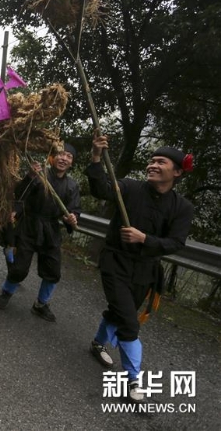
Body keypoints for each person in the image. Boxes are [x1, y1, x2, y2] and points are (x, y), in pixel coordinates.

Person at [86, 136, 194, 401]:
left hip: (146, 270)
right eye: (152, 160)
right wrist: (97, 157)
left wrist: (144, 239)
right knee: (129, 322)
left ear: (177, 172)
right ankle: (133, 381)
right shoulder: (130, 188)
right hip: (115, 262)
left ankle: (98, 343)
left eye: (161, 162)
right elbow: (101, 189)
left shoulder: (183, 207)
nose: (153, 165)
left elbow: (176, 243)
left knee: (120, 312)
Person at [0, 144, 81, 322]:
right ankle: (6, 291)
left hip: (51, 230)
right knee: (19, 269)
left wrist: (72, 218)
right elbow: (19, 194)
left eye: (69, 156)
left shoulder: (72, 185)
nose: (64, 158)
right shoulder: (40, 175)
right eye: (61, 154)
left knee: (53, 271)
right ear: (53, 157)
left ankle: (41, 304)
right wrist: (30, 176)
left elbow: (73, 210)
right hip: (29, 226)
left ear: (72, 162)